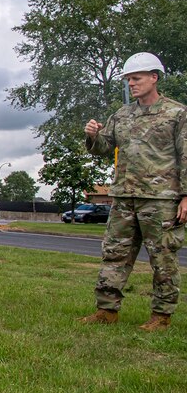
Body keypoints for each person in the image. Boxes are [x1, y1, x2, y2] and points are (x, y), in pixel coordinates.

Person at [80, 52, 187, 331]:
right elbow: (104, 147)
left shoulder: (177, 113)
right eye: (128, 80)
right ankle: (106, 310)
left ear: (154, 77)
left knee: (162, 258)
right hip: (124, 197)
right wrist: (93, 136)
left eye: (136, 78)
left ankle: (161, 316)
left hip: (161, 199)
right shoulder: (122, 115)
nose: (131, 84)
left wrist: (186, 196)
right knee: (114, 254)